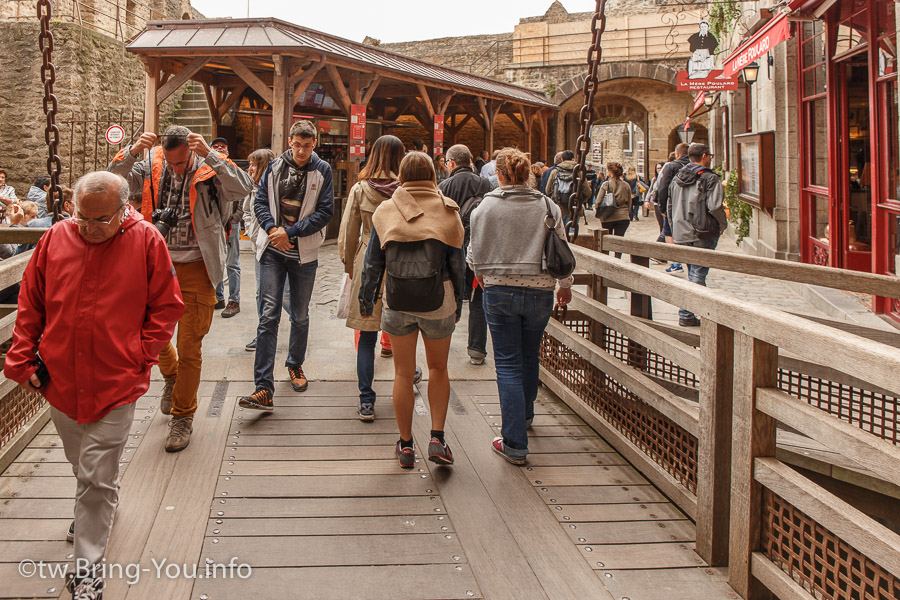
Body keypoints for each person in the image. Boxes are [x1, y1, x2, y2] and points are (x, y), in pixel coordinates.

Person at [4, 171, 184, 599]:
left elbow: (167, 305)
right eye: (82, 216)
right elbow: (32, 300)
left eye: (101, 220)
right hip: (62, 377)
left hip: (115, 380)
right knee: (81, 463)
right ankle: (97, 507)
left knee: (97, 475)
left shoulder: (146, 241)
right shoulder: (56, 238)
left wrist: (140, 353)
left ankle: (87, 571)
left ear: (124, 211)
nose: (89, 227)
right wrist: (21, 356)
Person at [109, 125, 253, 452]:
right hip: (155, 267)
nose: (176, 169)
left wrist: (211, 155)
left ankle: (183, 416)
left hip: (198, 269)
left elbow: (244, 186)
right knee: (152, 336)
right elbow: (112, 182)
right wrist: (131, 152)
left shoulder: (206, 166)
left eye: (180, 163)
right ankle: (171, 376)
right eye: (171, 163)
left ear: (190, 150)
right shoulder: (151, 164)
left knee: (190, 345)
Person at [359, 151, 465, 468]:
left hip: (397, 300)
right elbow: (458, 266)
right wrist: (458, 304)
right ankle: (437, 438)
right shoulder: (448, 211)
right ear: (432, 175)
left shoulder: (386, 210)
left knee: (403, 374)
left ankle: (405, 446)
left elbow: (372, 265)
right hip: (439, 301)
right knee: (438, 370)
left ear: (402, 176)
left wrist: (367, 301)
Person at [467, 148, 573, 465]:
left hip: (499, 291)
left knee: (509, 364)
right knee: (529, 355)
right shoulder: (547, 205)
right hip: (540, 290)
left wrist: (482, 276)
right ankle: (525, 415)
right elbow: (562, 249)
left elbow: (473, 255)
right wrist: (565, 287)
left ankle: (514, 442)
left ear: (498, 175)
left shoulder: (484, 208)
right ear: (527, 174)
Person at [239, 120, 334, 411]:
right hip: (272, 250)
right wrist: (271, 230)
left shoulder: (323, 171)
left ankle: (295, 364)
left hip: (303, 253)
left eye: (307, 145)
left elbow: (325, 211)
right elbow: (259, 202)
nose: (302, 150)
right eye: (297, 144)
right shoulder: (275, 166)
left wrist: (289, 233)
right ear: (290, 141)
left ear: (314, 144)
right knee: (268, 315)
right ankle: (263, 387)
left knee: (300, 314)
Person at [338, 134, 406, 421]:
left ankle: (366, 399)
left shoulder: (359, 189)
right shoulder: (407, 189)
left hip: (368, 261)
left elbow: (346, 236)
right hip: (403, 265)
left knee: (366, 337)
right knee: (404, 331)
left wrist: (350, 265)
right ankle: (407, 379)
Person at [439, 144, 493, 366]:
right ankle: (477, 350)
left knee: (449, 296)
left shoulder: (444, 186)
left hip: (452, 248)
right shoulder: (486, 184)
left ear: (451, 163)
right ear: (470, 160)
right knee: (478, 299)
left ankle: (443, 341)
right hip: (480, 248)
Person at [668, 143, 727, 327]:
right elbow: (715, 206)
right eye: (710, 155)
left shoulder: (677, 177)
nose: (710, 159)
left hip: (681, 232)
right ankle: (686, 314)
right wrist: (722, 224)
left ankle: (690, 312)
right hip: (703, 232)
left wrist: (673, 228)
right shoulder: (710, 178)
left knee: (693, 272)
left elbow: (669, 206)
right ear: (704, 156)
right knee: (698, 273)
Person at [241, 148, 276, 352]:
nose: (250, 168)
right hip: (258, 246)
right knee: (260, 292)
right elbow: (246, 210)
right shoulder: (251, 187)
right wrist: (250, 231)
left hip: (274, 246)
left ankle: (296, 328)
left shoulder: (274, 187)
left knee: (284, 295)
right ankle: (262, 334)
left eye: (254, 164)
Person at [210, 137, 243, 317]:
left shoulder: (234, 169)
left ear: (228, 151)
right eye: (216, 147)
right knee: (216, 259)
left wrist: (236, 218)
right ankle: (218, 296)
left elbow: (243, 193)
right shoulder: (205, 171)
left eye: (223, 146)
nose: (220, 148)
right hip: (214, 223)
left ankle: (234, 300)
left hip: (231, 221)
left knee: (232, 262)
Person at [656, 143, 690, 274]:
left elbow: (662, 188)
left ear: (677, 154)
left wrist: (662, 208)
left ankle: (676, 262)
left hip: (673, 206)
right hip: (689, 206)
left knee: (668, 232)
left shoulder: (670, 166)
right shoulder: (693, 166)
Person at [545, 150, 592, 226]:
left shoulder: (555, 172)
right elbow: (587, 192)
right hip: (574, 207)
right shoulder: (579, 173)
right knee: (572, 232)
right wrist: (579, 200)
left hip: (559, 207)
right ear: (573, 159)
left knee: (560, 231)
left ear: (562, 159)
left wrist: (555, 199)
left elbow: (548, 190)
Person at [595, 163, 632, 258]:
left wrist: (599, 213)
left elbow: (598, 202)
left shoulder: (606, 184)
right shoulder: (626, 185)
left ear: (610, 172)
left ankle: (606, 260)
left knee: (606, 242)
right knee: (619, 241)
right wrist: (626, 214)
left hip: (608, 216)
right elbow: (629, 203)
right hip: (623, 216)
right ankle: (618, 258)